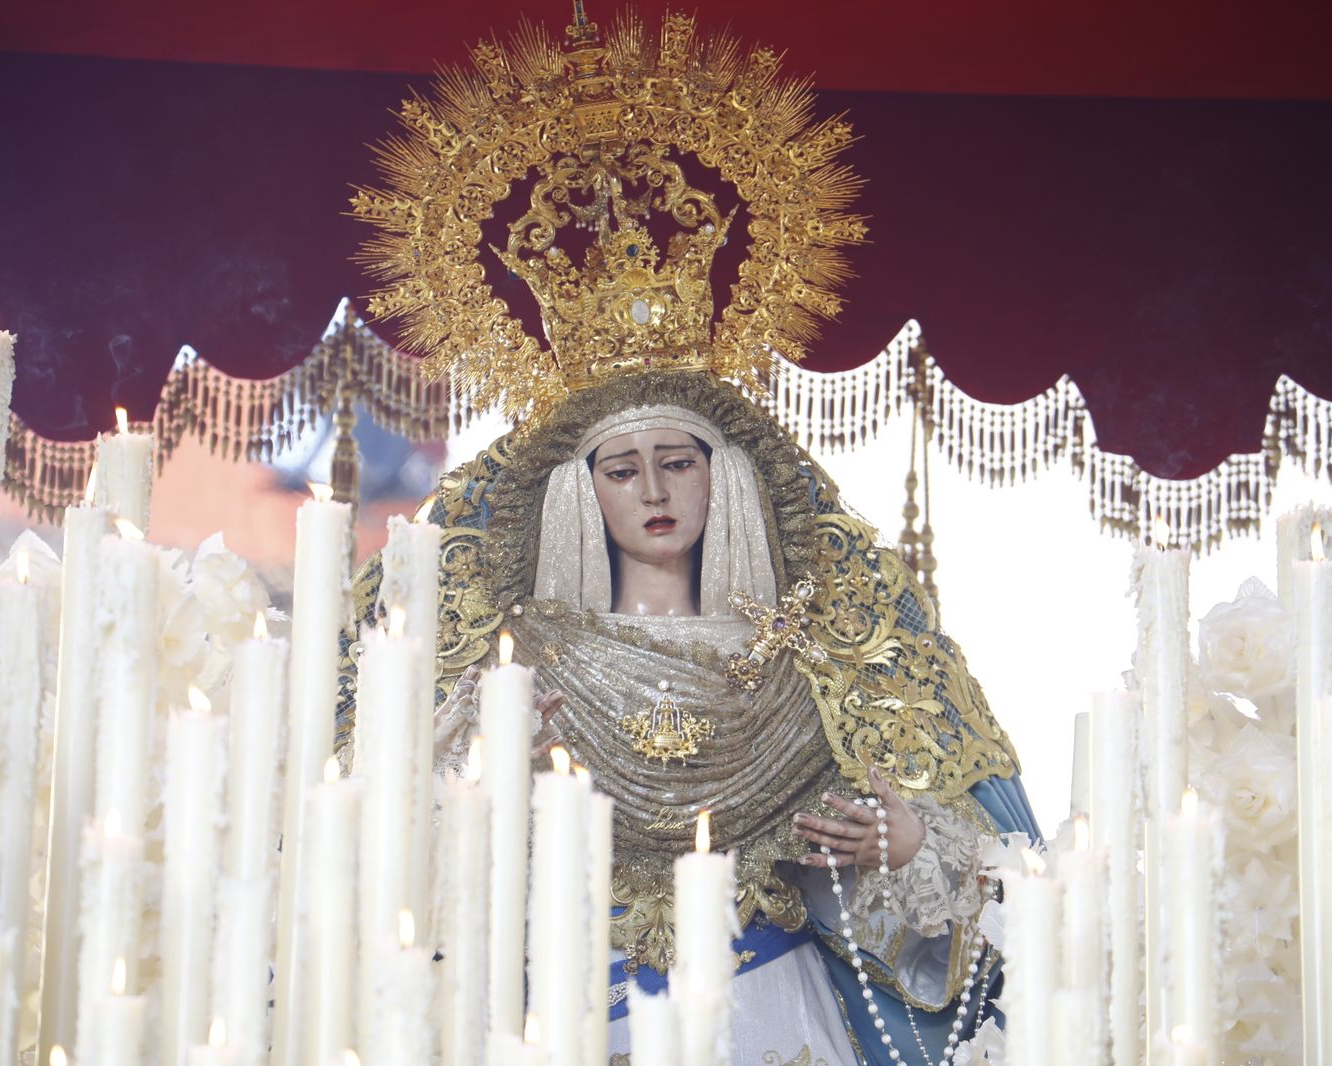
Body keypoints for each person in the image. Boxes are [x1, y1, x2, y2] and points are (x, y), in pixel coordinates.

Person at [339, 8, 1040, 1061]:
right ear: (581, 495)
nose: (655, 490)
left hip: (775, 1010)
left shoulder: (809, 652)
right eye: (621, 470)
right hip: (577, 1007)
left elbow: (982, 862)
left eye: (680, 461)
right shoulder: (523, 660)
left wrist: (904, 843)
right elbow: (383, 848)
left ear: (727, 479)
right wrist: (476, 771)